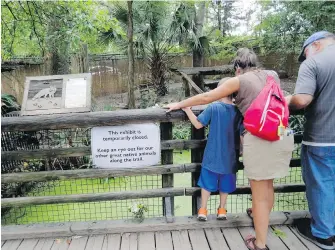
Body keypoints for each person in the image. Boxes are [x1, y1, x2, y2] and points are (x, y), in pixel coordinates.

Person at [166, 48, 294, 250]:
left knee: (259, 194)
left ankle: (260, 243)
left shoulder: (239, 80)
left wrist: (180, 104)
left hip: (259, 139)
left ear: (237, 68)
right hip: (279, 135)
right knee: (268, 187)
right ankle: (260, 221)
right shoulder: (272, 76)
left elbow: (207, 97)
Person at [286, 31, 335, 250]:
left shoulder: (313, 63)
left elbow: (303, 100)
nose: (305, 59)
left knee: (321, 185)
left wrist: (286, 99)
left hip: (322, 139)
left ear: (313, 46)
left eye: (305, 54)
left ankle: (324, 235)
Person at [183, 77, 243, 221]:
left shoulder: (213, 107)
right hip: (230, 157)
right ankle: (222, 209)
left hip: (212, 155)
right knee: (226, 184)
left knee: (207, 183)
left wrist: (187, 110)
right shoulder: (239, 111)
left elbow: (198, 124)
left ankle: (203, 209)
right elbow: (242, 134)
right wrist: (242, 150)